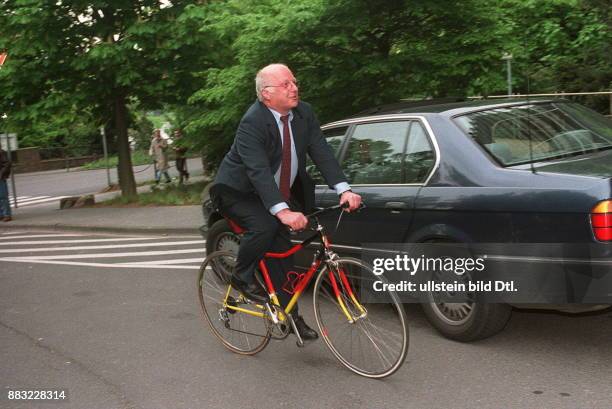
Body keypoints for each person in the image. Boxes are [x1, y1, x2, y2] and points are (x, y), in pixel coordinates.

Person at [210, 63, 361, 340]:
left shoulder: (304, 113)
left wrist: (343, 189)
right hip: (237, 190)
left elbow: (322, 152)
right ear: (267, 94)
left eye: (294, 82)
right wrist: (282, 211)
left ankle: (290, 316)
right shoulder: (252, 122)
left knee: (284, 258)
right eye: (286, 84)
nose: (294, 88)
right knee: (265, 226)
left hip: (272, 192)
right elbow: (258, 171)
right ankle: (241, 277)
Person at [0, 146, 12, 222]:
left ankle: (7, 215)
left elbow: (7, 163)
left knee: (3, 197)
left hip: (0, 178)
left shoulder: (1, 152)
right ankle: (1, 215)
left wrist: (1, 174)